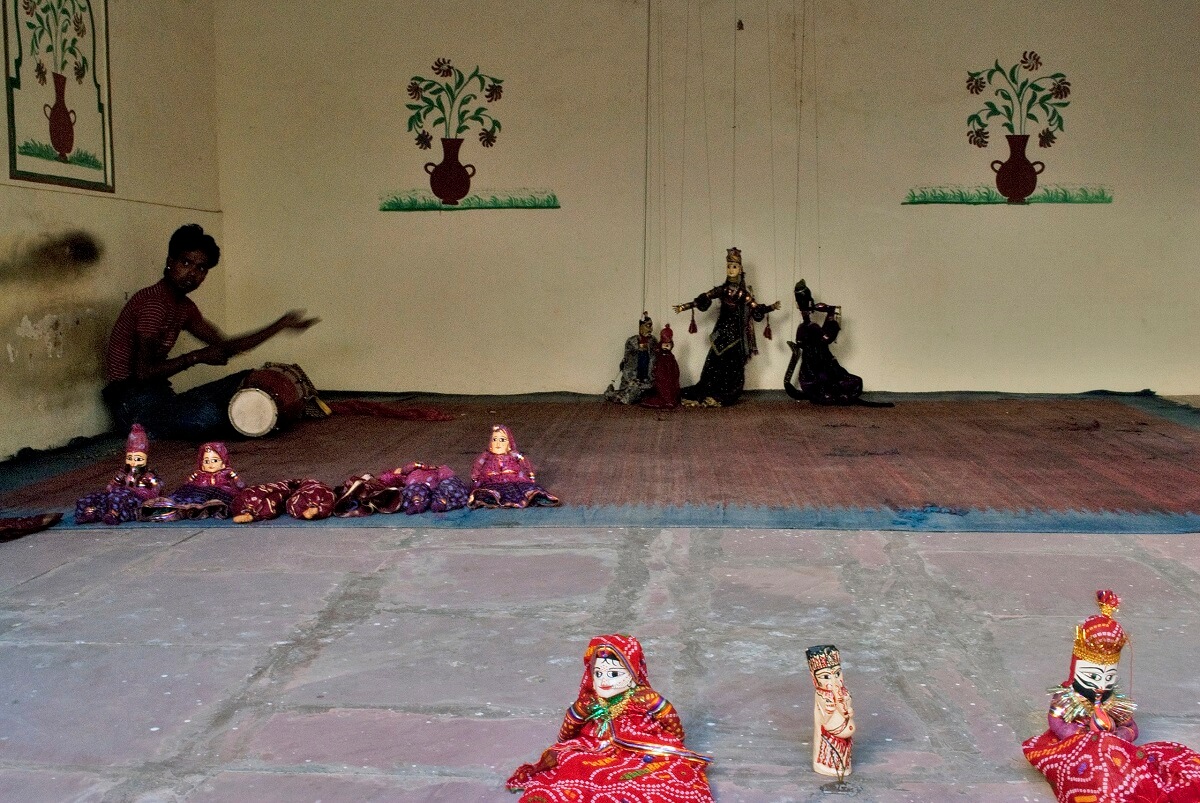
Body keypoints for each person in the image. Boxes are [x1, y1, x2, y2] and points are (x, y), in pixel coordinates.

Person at [102, 223, 320, 439]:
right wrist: (197, 357)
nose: (192, 274)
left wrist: (280, 325)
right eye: (186, 262)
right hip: (133, 406)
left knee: (245, 378)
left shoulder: (183, 307)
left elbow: (225, 347)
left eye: (201, 268)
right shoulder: (154, 303)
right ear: (170, 262)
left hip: (161, 398)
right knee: (208, 415)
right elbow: (143, 373)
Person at [1022, 590, 1200, 802]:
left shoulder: (1113, 700)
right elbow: (1056, 722)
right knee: (1096, 777)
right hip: (1076, 747)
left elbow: (1131, 727)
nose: (1101, 684)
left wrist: (1121, 736)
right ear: (1076, 668)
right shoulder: (1067, 697)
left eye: (1110, 676)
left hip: (1113, 747)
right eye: (1093, 675)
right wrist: (1082, 736)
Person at [507, 634, 714, 802]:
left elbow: (671, 720)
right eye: (598, 674)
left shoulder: (646, 698)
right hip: (593, 748)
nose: (604, 680)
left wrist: (674, 744)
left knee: (669, 776)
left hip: (643, 749)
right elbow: (569, 727)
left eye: (613, 674)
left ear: (633, 677)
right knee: (572, 766)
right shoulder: (589, 702)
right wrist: (565, 745)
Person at [673, 247, 779, 407]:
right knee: (713, 366)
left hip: (735, 336)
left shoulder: (743, 294)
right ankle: (709, 393)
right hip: (720, 334)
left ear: (740, 269)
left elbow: (756, 308)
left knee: (732, 369)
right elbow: (705, 297)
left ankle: (723, 396)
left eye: (734, 266)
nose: (731, 269)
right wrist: (684, 306)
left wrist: (771, 307)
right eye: (729, 266)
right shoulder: (722, 290)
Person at [75, 423, 163, 525]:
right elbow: (110, 487)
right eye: (130, 458)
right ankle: (90, 514)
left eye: (138, 459)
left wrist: (136, 490)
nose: (133, 462)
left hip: (135, 501)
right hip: (116, 496)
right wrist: (115, 485)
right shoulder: (123, 473)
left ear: (145, 459)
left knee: (117, 498)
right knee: (93, 497)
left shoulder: (149, 475)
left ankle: (113, 515)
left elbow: (157, 489)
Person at [140, 441, 246, 522]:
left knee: (206, 495)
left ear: (223, 463)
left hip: (218, 490)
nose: (210, 464)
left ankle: (191, 509)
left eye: (214, 461)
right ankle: (167, 507)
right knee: (185, 491)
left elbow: (240, 485)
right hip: (197, 488)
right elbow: (188, 483)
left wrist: (239, 485)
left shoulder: (227, 473)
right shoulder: (198, 474)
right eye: (206, 461)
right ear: (201, 464)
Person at [468, 424, 560, 509]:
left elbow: (525, 462)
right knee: (486, 491)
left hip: (513, 479)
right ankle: (493, 499)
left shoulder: (514, 455)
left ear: (509, 444)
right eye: (494, 440)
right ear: (490, 444)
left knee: (520, 490)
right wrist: (475, 479)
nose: (498, 444)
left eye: (502, 440)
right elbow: (478, 466)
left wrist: (530, 476)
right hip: (491, 480)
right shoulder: (486, 456)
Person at [807, 644, 855, 779]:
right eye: (826, 677)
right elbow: (825, 718)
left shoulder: (843, 691)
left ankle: (842, 767)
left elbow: (848, 706)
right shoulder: (822, 695)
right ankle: (827, 766)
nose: (834, 680)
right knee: (832, 756)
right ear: (815, 678)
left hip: (845, 735)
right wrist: (831, 709)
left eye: (838, 674)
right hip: (831, 736)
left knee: (843, 757)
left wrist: (848, 709)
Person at [604, 312, 657, 404]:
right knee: (629, 394)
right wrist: (633, 380)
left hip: (648, 379)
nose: (651, 329)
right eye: (648, 326)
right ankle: (611, 394)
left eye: (651, 326)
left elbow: (655, 361)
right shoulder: (631, 342)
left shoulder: (653, 341)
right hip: (634, 379)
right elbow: (628, 363)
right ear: (640, 327)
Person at [640, 323, 681, 410]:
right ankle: (666, 400)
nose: (666, 347)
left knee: (670, 387)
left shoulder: (671, 357)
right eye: (664, 345)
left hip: (669, 376)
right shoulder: (659, 356)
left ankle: (669, 400)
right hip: (661, 376)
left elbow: (674, 369)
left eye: (668, 345)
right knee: (662, 386)